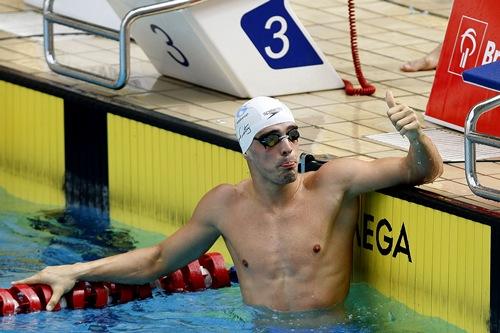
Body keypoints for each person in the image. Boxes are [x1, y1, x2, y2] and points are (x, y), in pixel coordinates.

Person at [13, 90, 443, 313]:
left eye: (292, 136)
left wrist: (414, 135)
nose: (287, 149)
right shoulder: (225, 206)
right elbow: (157, 261)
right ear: (247, 150)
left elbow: (423, 170)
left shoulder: (333, 184)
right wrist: (74, 269)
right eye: (271, 140)